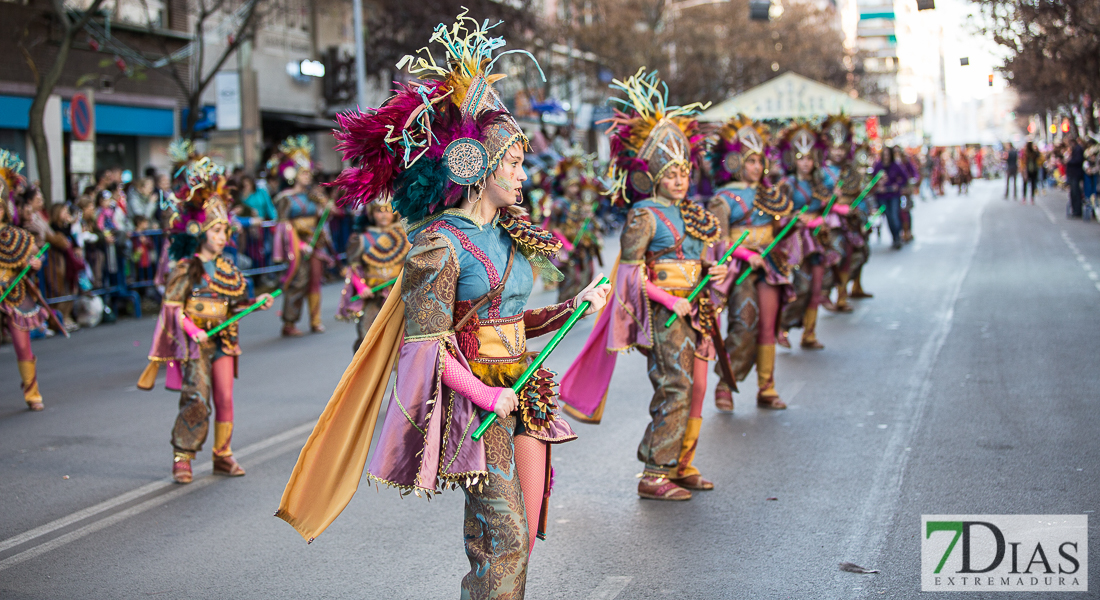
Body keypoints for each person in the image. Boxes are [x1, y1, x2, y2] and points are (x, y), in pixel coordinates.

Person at [276, 15, 610, 598]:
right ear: (477, 168)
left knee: (522, 531)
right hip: (478, 406)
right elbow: (426, 348)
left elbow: (510, 321)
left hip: (523, 392)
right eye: (512, 162)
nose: (523, 174)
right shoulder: (438, 245)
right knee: (500, 537)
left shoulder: (511, 235)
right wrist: (486, 394)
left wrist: (574, 307)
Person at [559, 69, 727, 500]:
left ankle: (681, 461)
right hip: (664, 313)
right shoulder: (644, 214)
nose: (679, 179)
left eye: (684, 172)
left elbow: (703, 259)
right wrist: (669, 299)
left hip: (696, 306)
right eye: (670, 173)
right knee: (675, 384)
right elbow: (630, 273)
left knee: (700, 385)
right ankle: (655, 470)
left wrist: (715, 275)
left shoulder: (694, 211)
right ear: (653, 176)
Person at [137, 153, 274, 483]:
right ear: (201, 233)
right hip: (196, 343)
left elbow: (236, 306)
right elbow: (172, 309)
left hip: (224, 340)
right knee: (196, 399)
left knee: (225, 398)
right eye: (216, 229)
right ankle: (182, 456)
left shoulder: (229, 268)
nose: (222, 235)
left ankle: (222, 454)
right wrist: (192, 329)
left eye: (225, 229)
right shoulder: (186, 268)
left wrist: (257, 303)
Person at [704, 114, 794, 412]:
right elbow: (718, 240)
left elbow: (779, 230)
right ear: (735, 162)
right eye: (750, 161)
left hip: (771, 266)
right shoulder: (722, 197)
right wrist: (746, 255)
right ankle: (726, 383)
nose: (756, 167)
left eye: (759, 161)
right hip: (738, 270)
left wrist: (791, 226)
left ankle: (766, 387)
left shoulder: (771, 192)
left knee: (768, 325)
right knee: (744, 324)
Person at [777, 121, 841, 350]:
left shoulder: (820, 183)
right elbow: (778, 215)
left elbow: (829, 208)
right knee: (801, 288)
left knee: (816, 288)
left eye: (809, 158)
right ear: (793, 159)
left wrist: (824, 215)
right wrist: (796, 218)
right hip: (796, 241)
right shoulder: (786, 185)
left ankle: (809, 334)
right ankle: (782, 326)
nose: (806, 163)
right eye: (801, 158)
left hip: (819, 239)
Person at [0, 152, 51, 410]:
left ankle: (31, 392)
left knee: (22, 344)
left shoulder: (16, 236)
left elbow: (35, 258)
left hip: (14, 293)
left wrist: (34, 264)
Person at [272, 136, 332, 336]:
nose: (308, 176)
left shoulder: (314, 196)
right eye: (303, 173)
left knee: (315, 280)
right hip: (296, 245)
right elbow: (282, 226)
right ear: (294, 175)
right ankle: (289, 323)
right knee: (298, 282)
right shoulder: (285, 198)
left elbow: (325, 216)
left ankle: (316, 320)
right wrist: (297, 244)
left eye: (309, 173)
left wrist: (326, 206)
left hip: (314, 242)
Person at [335, 202, 408, 353]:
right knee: (367, 337)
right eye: (379, 211)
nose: (383, 215)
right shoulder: (361, 239)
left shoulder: (405, 236)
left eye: (387, 211)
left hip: (398, 295)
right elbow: (354, 268)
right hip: (373, 295)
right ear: (371, 214)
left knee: (403, 339)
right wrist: (362, 287)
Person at [819, 115, 872, 310]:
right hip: (831, 222)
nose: (838, 153)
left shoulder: (851, 171)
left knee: (856, 254)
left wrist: (862, 216)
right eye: (835, 148)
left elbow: (860, 194)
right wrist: (834, 204)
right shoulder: (821, 172)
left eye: (841, 149)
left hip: (852, 220)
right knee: (837, 254)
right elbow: (817, 197)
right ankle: (826, 293)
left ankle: (843, 294)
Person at [873, 146, 911, 250]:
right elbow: (872, 180)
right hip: (882, 196)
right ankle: (895, 237)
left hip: (893, 195)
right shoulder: (878, 166)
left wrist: (897, 185)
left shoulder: (896, 165)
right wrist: (878, 186)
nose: (886, 157)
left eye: (888, 155)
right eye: (884, 155)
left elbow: (904, 177)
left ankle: (898, 235)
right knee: (889, 218)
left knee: (895, 216)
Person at [1064, 135, 1085, 218]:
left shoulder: (1078, 149)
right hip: (1072, 174)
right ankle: (1075, 210)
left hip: (1076, 174)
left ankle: (1077, 210)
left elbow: (1078, 161)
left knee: (1076, 192)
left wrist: (1069, 161)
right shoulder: (1074, 149)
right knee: (1073, 193)